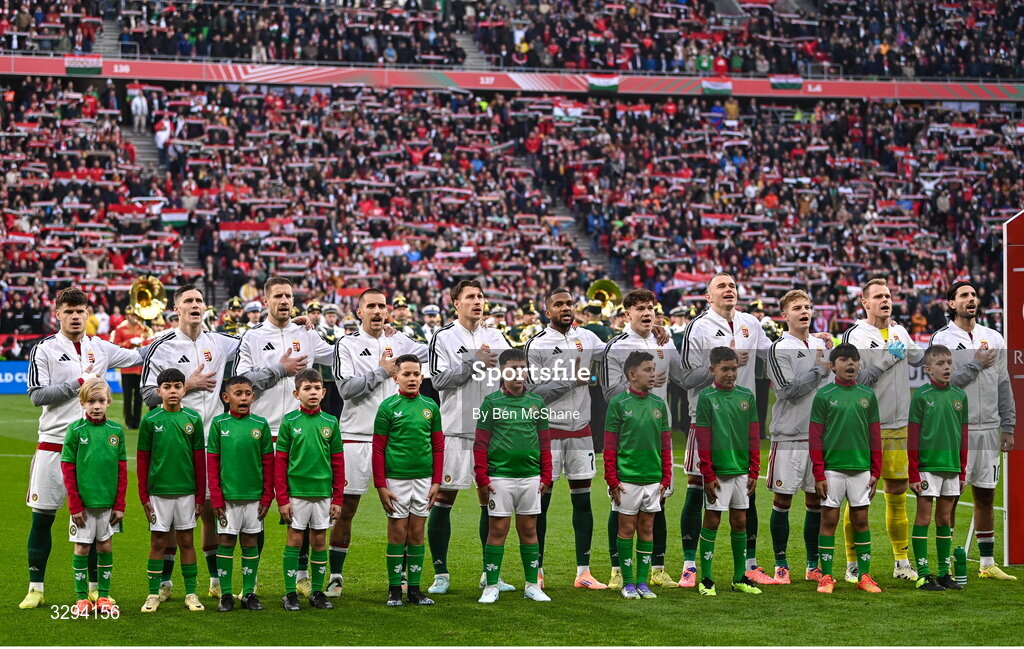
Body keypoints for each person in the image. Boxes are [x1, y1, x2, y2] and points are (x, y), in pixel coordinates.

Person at [21, 287, 142, 610]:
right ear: (57, 314)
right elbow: (36, 396)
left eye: (80, 311)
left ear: (88, 314)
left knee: (94, 518)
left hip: (92, 449)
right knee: (42, 517)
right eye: (69, 311)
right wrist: (78, 383)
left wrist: (173, 332)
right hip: (53, 444)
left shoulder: (100, 347)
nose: (75, 316)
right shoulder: (44, 349)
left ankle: (93, 591)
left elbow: (139, 356)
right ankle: (36, 587)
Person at [141, 284, 248, 600]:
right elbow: (147, 394)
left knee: (211, 509)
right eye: (188, 300)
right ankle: (165, 582)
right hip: (175, 443)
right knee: (176, 512)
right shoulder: (161, 347)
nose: (195, 304)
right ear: (176, 308)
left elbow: (256, 341)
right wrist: (189, 385)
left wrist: (302, 329)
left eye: (200, 300)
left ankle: (215, 579)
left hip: (214, 442)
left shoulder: (220, 342)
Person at [678, 274, 779, 588]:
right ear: (709, 297)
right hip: (706, 416)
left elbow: (772, 354)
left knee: (746, 494)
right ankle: (690, 564)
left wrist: (811, 340)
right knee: (698, 488)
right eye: (721, 286)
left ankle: (750, 564)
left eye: (732, 285)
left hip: (741, 418)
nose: (729, 289)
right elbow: (685, 377)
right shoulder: (699, 327)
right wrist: (723, 364)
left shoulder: (751, 322)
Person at [329, 289, 428, 597]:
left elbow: (432, 350)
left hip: (396, 440)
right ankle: (335, 576)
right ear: (358, 312)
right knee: (346, 509)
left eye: (381, 306)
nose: (376, 311)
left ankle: (402, 581)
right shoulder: (346, 343)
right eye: (370, 306)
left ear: (388, 312)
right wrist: (381, 372)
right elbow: (346, 389)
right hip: (356, 437)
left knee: (403, 512)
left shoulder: (400, 341)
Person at [426, 279, 511, 595]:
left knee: (491, 501)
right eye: (470, 297)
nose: (478, 301)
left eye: (481, 296)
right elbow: (438, 381)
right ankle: (440, 574)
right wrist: (473, 362)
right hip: (457, 430)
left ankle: (491, 575)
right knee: (444, 500)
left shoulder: (495, 336)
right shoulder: (444, 337)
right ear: (455, 303)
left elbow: (509, 377)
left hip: (492, 433)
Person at [930, 280, 1017, 580]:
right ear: (951, 304)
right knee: (951, 496)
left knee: (986, 495)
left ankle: (987, 563)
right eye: (964, 295)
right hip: (956, 430)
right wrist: (976, 365)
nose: (971, 299)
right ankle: (946, 563)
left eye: (974, 295)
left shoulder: (994, 337)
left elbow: (1004, 384)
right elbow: (941, 383)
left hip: (991, 428)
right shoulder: (942, 339)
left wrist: (1008, 424)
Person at [841, 278, 924, 583]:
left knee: (898, 495)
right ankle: (852, 564)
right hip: (866, 428)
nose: (885, 300)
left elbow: (920, 358)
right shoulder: (856, 335)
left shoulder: (901, 331)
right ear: (865, 303)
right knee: (859, 497)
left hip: (900, 426)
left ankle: (901, 562)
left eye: (888, 295)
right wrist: (890, 358)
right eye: (878, 296)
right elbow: (855, 380)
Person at [524, 288, 606, 589]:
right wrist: (571, 380)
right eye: (558, 304)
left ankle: (583, 572)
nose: (565, 308)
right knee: (540, 504)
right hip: (549, 431)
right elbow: (531, 394)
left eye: (569, 303)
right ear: (548, 311)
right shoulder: (537, 345)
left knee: (583, 501)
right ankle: (538, 569)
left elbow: (617, 355)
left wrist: (651, 333)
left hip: (581, 430)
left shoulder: (588, 338)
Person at [602, 288, 682, 589]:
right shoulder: (617, 347)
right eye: (640, 309)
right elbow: (609, 393)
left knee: (659, 502)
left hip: (658, 434)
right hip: (627, 438)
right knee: (619, 506)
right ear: (627, 314)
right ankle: (617, 570)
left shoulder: (664, 341)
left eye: (650, 308)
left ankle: (657, 568)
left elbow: (685, 379)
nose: (647, 313)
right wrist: (638, 380)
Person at [474, 349, 553, 604]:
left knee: (529, 530)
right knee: (497, 530)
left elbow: (544, 442)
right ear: (501, 372)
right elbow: (480, 444)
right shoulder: (492, 402)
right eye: (513, 369)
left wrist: (546, 475)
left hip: (531, 477)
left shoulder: (537, 403)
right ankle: (492, 584)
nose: (519, 374)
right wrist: (483, 478)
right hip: (500, 478)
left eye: (523, 368)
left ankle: (532, 585)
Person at [765, 290, 830, 584]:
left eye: (807, 306)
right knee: (783, 499)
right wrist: (819, 368)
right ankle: (781, 564)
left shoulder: (822, 344)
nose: (804, 311)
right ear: (784, 315)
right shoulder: (779, 348)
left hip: (819, 437)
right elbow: (787, 390)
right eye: (797, 308)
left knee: (816, 500)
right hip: (789, 436)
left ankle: (813, 565)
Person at [809, 344, 882, 594]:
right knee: (829, 519)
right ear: (832, 366)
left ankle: (864, 576)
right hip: (832, 469)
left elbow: (875, 435)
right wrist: (818, 473)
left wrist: (876, 470)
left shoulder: (867, 395)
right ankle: (826, 576)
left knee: (861, 520)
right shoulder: (824, 395)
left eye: (854, 360)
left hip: (861, 468)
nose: (851, 364)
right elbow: (815, 437)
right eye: (843, 360)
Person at [372, 354, 443, 606]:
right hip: (396, 480)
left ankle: (414, 589)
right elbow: (378, 448)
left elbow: (437, 447)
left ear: (422, 377)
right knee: (397, 533)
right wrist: (381, 485)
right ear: (395, 378)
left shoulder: (430, 407)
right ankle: (394, 589)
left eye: (416, 374)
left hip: (424, 481)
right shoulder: (388, 407)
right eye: (406, 374)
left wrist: (436, 481)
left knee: (416, 533)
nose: (412, 379)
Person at [694, 347, 762, 596]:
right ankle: (707, 579)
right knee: (712, 519)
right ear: (713, 369)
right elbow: (704, 439)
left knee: (740, 521)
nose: (730, 373)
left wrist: (754, 469)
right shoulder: (706, 398)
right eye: (725, 369)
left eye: (734, 368)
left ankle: (738, 578)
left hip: (742, 471)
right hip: (718, 473)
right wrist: (708, 474)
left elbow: (754, 436)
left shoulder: (747, 396)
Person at [603, 351, 672, 600]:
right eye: (647, 370)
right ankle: (628, 582)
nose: (652, 374)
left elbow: (665, 444)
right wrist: (612, 479)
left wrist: (666, 479)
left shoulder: (658, 404)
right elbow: (610, 445)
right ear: (632, 375)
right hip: (626, 480)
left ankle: (643, 582)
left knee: (647, 529)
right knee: (626, 529)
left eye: (653, 369)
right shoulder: (618, 403)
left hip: (653, 479)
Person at [137, 368, 207, 613]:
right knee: (158, 541)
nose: (173, 391)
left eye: (177, 386)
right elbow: (143, 459)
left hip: (186, 492)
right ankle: (153, 593)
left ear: (184, 389)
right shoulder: (151, 420)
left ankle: (191, 593)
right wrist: (144, 495)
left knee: (187, 541)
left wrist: (200, 496)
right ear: (159, 392)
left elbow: (200, 461)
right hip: (158, 493)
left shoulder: (193, 419)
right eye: (167, 387)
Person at [275, 369, 344, 611]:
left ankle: (317, 592)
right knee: (294, 540)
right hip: (296, 493)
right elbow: (281, 462)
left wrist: (338, 497)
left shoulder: (330, 422)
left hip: (323, 494)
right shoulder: (290, 422)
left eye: (316, 388)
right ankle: (290, 592)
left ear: (324, 393)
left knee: (318, 541)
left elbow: (337, 462)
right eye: (307, 388)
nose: (312, 392)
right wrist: (282, 498)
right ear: (297, 393)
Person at [207, 376, 275, 612]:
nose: (244, 397)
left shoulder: (260, 424)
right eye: (238, 393)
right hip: (227, 498)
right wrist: (216, 497)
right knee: (225, 541)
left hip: (254, 498)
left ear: (253, 396)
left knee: (249, 541)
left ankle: (249, 593)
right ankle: (225, 594)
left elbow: (268, 464)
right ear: (226, 398)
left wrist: (267, 496)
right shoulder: (218, 424)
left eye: (247, 393)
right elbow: (212, 464)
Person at [60, 378, 126, 616]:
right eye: (91, 401)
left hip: (108, 505)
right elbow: (67, 469)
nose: (96, 406)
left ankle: (104, 596)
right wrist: (74, 505)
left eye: (101, 401)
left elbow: (121, 471)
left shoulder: (116, 431)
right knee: (81, 548)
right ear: (82, 403)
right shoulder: (75, 430)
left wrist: (120, 504)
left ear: (108, 402)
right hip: (83, 507)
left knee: (105, 546)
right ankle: (81, 598)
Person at [908, 344, 967, 591]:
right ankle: (923, 574)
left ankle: (944, 573)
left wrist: (962, 471)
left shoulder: (960, 397)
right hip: (927, 467)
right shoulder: (921, 396)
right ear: (928, 368)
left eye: (949, 363)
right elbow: (912, 437)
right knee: (923, 518)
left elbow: (964, 437)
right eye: (940, 364)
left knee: (944, 518)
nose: (946, 368)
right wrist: (913, 472)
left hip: (951, 467)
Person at [111, 307, 152, 429]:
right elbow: (116, 347)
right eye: (131, 315)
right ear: (127, 316)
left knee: (139, 397)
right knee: (127, 397)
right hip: (127, 368)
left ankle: (137, 421)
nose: (134, 317)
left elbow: (149, 343)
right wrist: (129, 342)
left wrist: (141, 342)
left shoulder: (144, 329)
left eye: (135, 315)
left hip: (140, 368)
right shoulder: (120, 329)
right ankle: (129, 421)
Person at [317, 304, 345, 418]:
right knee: (326, 402)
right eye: (329, 316)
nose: (332, 318)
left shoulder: (340, 331)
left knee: (338, 402)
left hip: (338, 372)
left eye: (333, 316)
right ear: (325, 317)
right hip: (325, 372)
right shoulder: (320, 330)